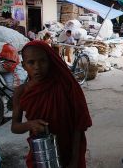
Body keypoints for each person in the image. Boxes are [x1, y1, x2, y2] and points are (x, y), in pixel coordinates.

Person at [11, 40, 92, 168]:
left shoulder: (65, 85)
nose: (37, 67)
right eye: (31, 62)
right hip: (41, 150)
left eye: (42, 61)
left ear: (50, 61)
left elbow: (79, 124)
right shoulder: (21, 92)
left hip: (69, 148)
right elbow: (14, 127)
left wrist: (75, 160)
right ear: (23, 65)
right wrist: (29, 124)